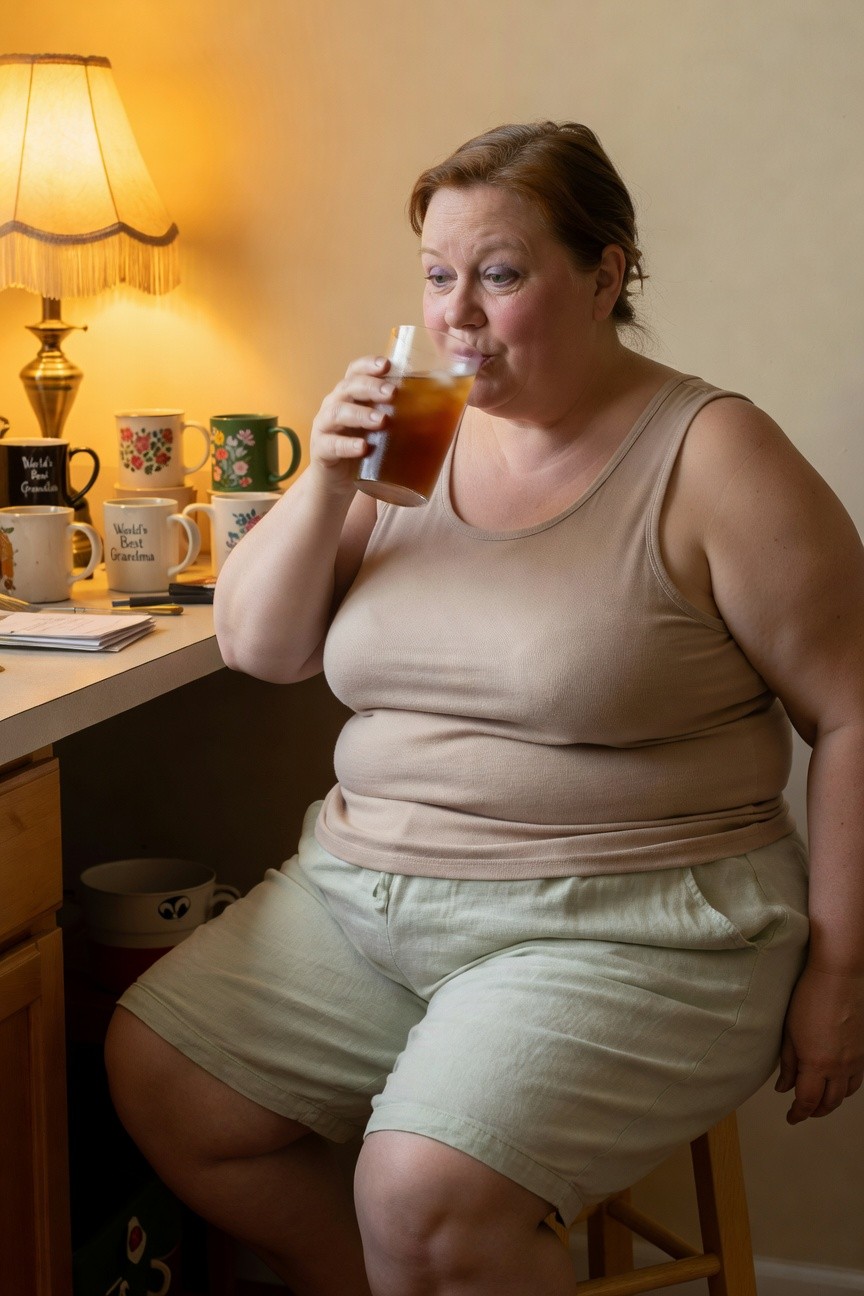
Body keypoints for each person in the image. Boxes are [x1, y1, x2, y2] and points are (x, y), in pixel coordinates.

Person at [105, 121, 864, 1296]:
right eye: (437, 273)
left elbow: (855, 712)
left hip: (632, 920)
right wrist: (322, 479)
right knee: (163, 1075)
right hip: (367, 896)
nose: (457, 314)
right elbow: (261, 648)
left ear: (604, 275)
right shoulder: (420, 417)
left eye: (500, 275)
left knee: (420, 1194)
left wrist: (841, 972)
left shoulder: (713, 455)